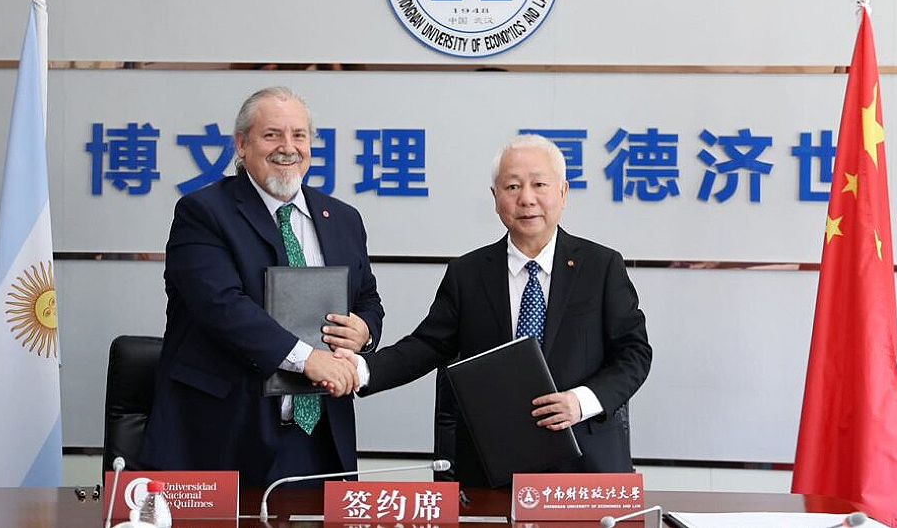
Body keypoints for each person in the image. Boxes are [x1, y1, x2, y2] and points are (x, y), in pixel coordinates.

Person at [346, 134, 651, 487]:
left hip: (584, 468)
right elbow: (426, 346)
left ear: (563, 192)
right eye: (512, 186)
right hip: (493, 467)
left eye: (539, 184)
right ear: (495, 197)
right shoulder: (468, 273)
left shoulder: (601, 266)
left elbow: (634, 353)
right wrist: (361, 370)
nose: (527, 199)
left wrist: (580, 402)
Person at [139, 86, 383, 486]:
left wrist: (365, 329)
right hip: (227, 435)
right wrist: (308, 359)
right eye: (272, 135)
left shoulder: (343, 218)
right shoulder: (203, 213)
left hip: (319, 437)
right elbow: (222, 307)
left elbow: (367, 296)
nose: (288, 147)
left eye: (299, 135)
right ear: (241, 145)